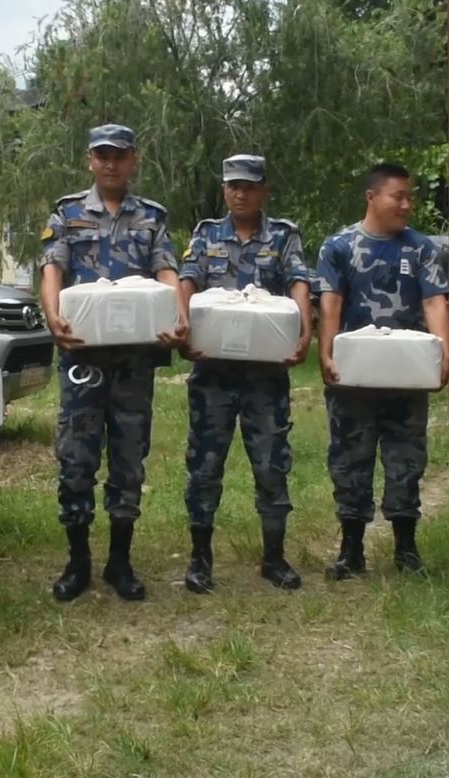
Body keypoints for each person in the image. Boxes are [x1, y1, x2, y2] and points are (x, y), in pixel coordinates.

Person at [39, 123, 186, 603]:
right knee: (76, 458)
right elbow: (51, 268)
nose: (110, 163)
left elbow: (167, 268)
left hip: (134, 359)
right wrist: (53, 315)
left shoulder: (151, 217)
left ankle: (119, 561)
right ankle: (77, 560)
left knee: (128, 458)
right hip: (84, 355)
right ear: (90, 160)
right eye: (102, 155)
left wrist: (176, 315)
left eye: (119, 155)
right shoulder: (67, 213)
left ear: (133, 160)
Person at [177, 154, 314, 593]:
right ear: (224, 190)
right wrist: (183, 325)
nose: (241, 193)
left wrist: (304, 328)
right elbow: (187, 280)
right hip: (212, 373)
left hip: (264, 376)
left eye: (249, 186)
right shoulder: (205, 234)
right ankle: (200, 559)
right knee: (204, 467)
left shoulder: (284, 235)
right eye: (233, 185)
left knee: (272, 465)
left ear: (263, 190)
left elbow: (298, 283)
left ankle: (274, 558)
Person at [315, 163, 449, 579]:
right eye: (399, 197)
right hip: (354, 376)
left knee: (406, 460)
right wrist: (326, 353)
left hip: (405, 375)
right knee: (349, 460)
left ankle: (406, 550)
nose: (407, 205)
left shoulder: (421, 247)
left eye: (411, 197)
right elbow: (331, 303)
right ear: (372, 197)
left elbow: (435, 303)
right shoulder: (339, 246)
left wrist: (444, 353)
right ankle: (351, 549)